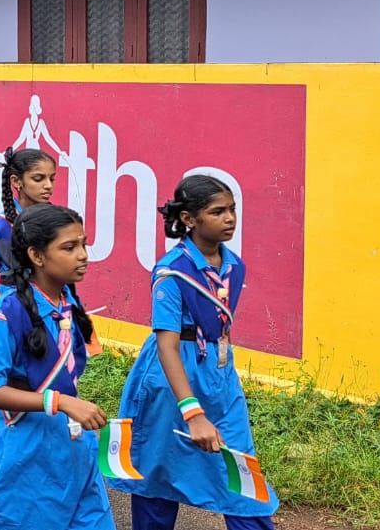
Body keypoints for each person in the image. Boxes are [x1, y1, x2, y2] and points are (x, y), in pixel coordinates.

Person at [109, 176, 278, 530]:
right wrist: (192, 411)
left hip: (218, 377)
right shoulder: (172, 272)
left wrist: (220, 375)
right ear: (188, 219)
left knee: (242, 474)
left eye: (232, 209)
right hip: (170, 381)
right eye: (217, 212)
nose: (229, 218)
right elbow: (167, 344)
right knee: (157, 473)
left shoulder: (234, 266)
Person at [0, 204, 114, 530]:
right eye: (69, 247)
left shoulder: (68, 303)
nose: (83, 255)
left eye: (84, 244)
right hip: (26, 448)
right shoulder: (8, 312)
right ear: (37, 255)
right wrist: (61, 402)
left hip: (72, 445)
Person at [0, 148, 57, 304]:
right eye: (38, 179)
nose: (48, 185)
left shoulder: (56, 221)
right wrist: (11, 308)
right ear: (16, 181)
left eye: (52, 179)